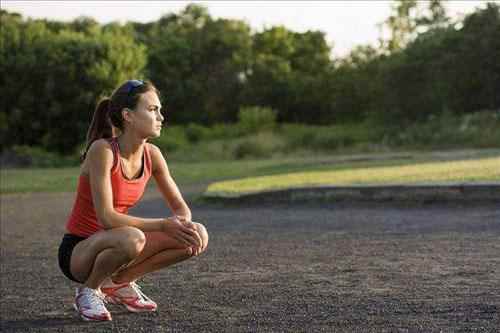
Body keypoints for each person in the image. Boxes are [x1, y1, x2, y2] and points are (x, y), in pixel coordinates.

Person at [57, 79, 208, 321]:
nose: (160, 117)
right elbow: (107, 219)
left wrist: (183, 224)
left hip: (121, 241)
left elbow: (182, 210)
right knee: (131, 237)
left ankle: (119, 283)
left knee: (196, 235)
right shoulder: (103, 151)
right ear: (128, 115)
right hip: (79, 251)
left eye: (159, 110)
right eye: (151, 110)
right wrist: (162, 224)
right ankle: (89, 291)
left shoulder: (153, 155)